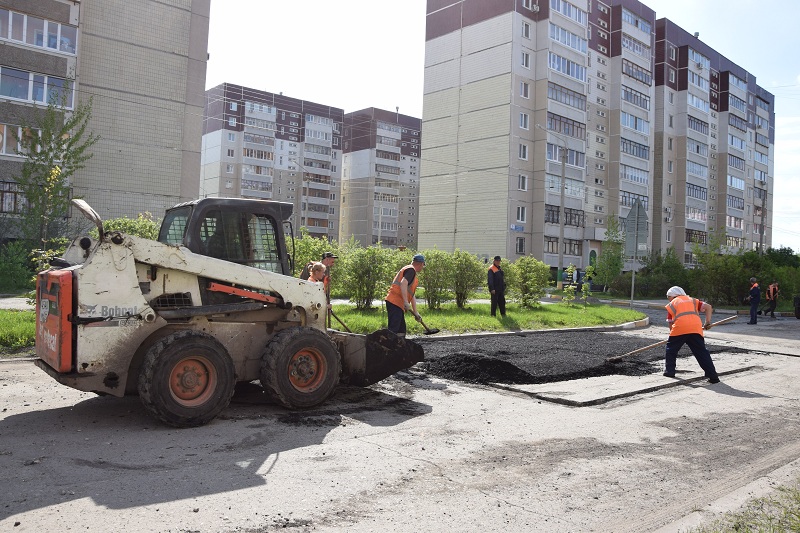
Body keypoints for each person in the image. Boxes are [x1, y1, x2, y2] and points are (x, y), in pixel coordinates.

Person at [663, 286, 720, 384]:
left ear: (672, 296)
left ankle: (670, 371)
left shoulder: (672, 304)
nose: (668, 299)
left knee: (671, 350)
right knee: (701, 352)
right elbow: (708, 307)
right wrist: (707, 322)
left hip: (680, 328)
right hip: (695, 329)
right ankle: (713, 376)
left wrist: (672, 337)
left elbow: (670, 323)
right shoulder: (693, 300)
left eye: (668, 297)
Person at [384, 254, 425, 337]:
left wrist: (416, 312)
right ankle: (388, 347)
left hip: (397, 304)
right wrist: (406, 302)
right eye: (423, 265)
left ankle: (400, 347)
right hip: (394, 301)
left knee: (401, 329)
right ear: (421, 264)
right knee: (393, 329)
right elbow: (403, 283)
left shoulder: (411, 273)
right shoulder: (411, 270)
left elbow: (411, 294)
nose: (422, 268)